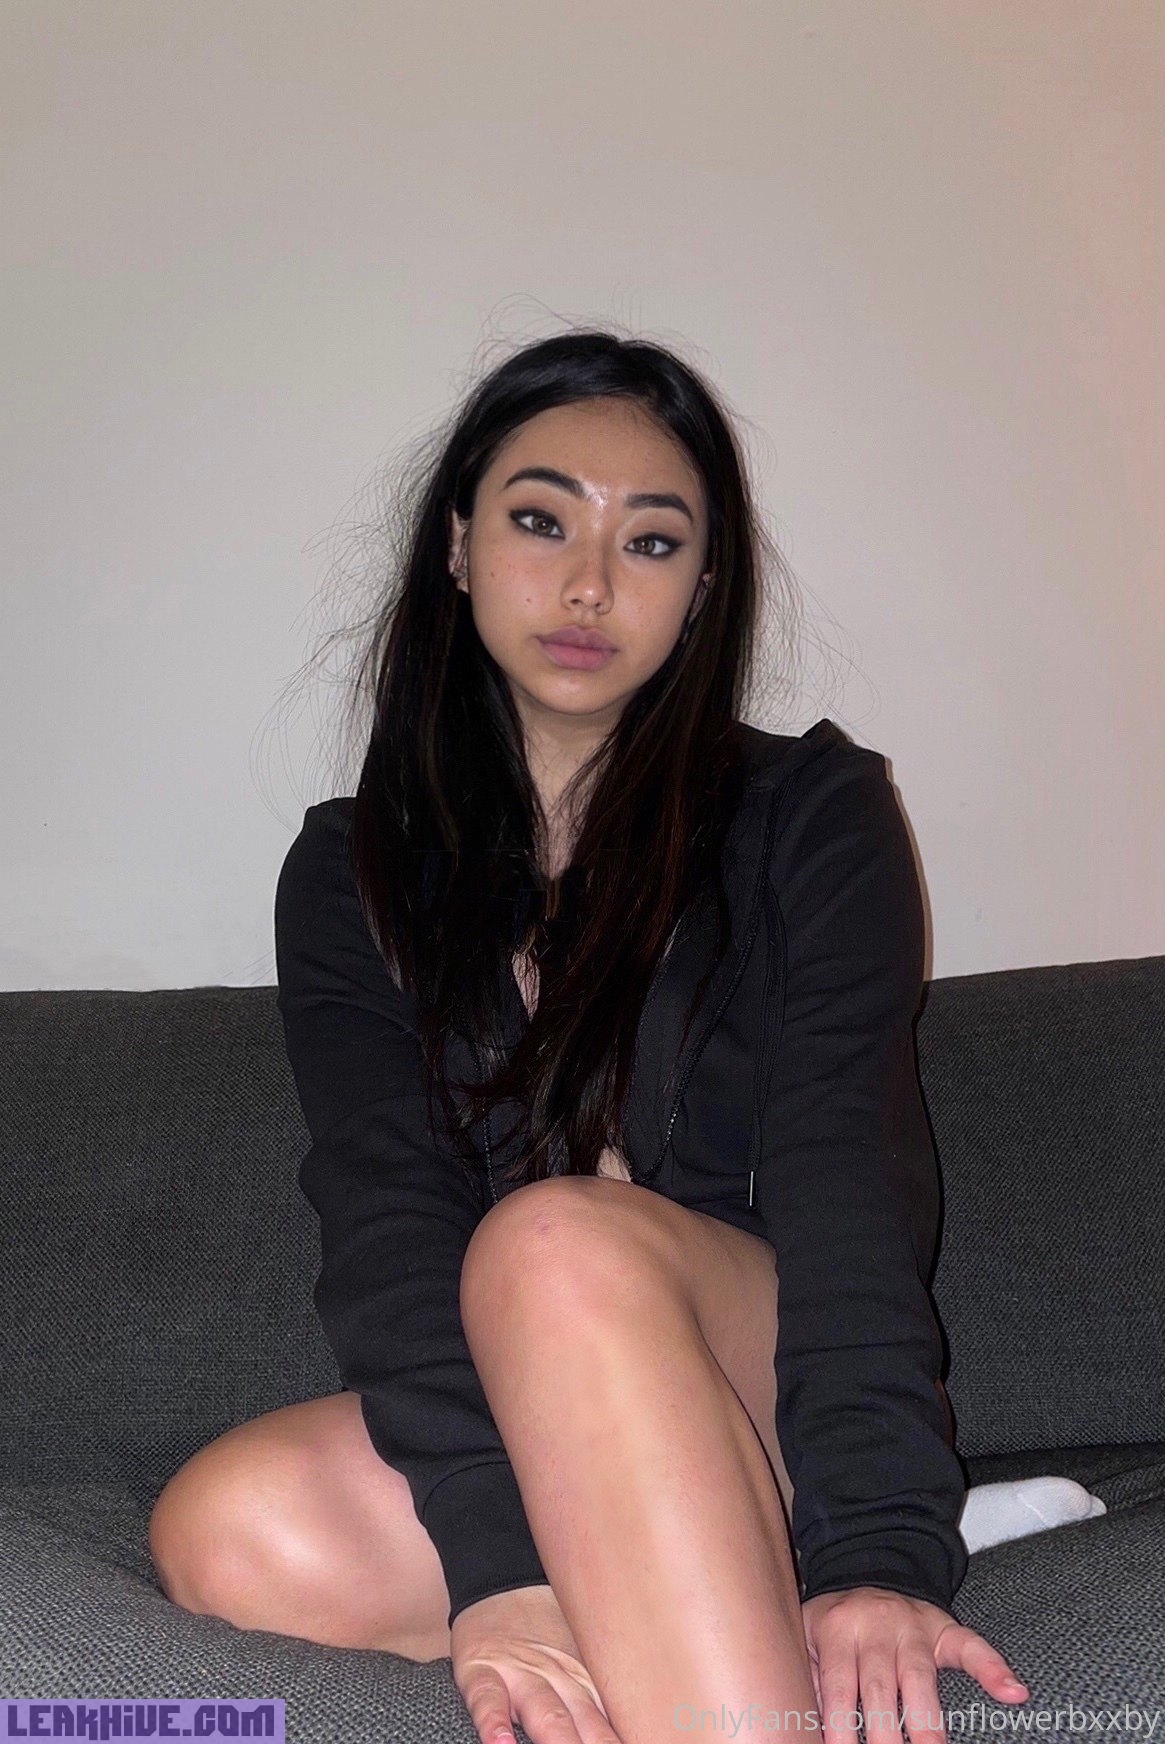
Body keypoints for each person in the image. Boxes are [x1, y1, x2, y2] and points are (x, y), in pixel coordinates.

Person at [148, 329, 1033, 1744]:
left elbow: (850, 1177)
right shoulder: (351, 872)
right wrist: (498, 1567)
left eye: (653, 542)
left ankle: (770, 1565)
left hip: (761, 1369)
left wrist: (876, 1548)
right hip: (540, 1410)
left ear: (702, 589)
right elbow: (384, 1207)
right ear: (458, 546)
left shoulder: (811, 814)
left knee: (555, 1243)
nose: (588, 585)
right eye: (541, 521)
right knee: (233, 1523)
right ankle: (699, 1591)